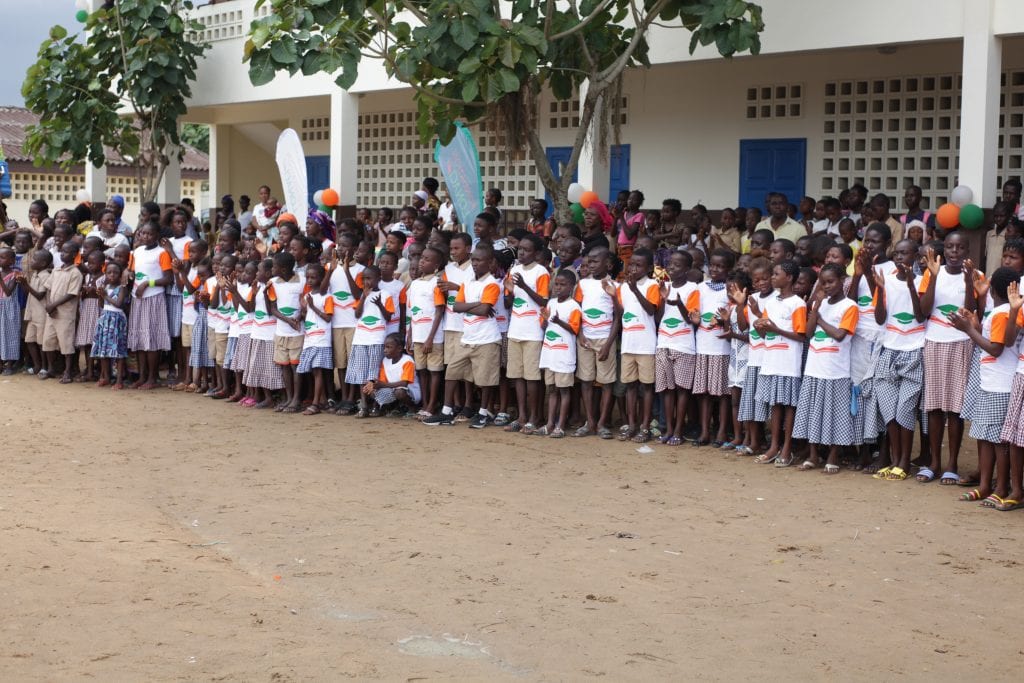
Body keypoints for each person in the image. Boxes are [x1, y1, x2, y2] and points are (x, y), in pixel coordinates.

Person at [950, 267, 1019, 506]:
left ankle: (1000, 487)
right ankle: (985, 485)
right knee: (983, 435)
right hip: (990, 383)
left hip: (1000, 385)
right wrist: (975, 326)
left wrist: (969, 331)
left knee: (998, 441)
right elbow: (992, 342)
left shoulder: (1002, 313)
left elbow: (996, 349)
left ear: (994, 290)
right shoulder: (998, 313)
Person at [918, 231, 975, 484]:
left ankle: (951, 463)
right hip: (934, 342)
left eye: (959, 248)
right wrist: (932, 276)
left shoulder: (975, 276)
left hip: (960, 344)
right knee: (934, 406)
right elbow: (923, 310)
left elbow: (972, 311)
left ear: (967, 251)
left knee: (955, 408)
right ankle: (933, 463)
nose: (954, 252)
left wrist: (970, 281)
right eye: (950, 248)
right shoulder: (932, 274)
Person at [867, 239, 926, 481]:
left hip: (913, 350)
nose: (901, 258)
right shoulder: (886, 280)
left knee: (905, 408)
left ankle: (904, 461)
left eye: (906, 253)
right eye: (898, 254)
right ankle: (894, 459)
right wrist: (878, 289)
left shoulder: (923, 281)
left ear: (915, 256)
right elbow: (880, 319)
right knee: (889, 410)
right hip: (888, 350)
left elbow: (921, 316)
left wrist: (912, 286)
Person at [424, 245, 502, 427]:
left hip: (487, 339)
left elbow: (484, 310)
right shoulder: (468, 283)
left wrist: (473, 305)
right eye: (473, 260)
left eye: (479, 260)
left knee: (485, 379)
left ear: (490, 263)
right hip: (467, 337)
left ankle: (483, 413)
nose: (475, 263)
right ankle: (446, 411)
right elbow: (457, 307)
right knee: (451, 372)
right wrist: (477, 304)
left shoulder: (492, 283)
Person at [792, 264, 859, 473]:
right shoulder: (820, 305)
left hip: (835, 370)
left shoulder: (850, 306)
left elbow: (840, 335)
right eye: (823, 283)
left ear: (842, 281)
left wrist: (820, 319)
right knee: (812, 413)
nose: (827, 286)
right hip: (814, 366)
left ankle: (833, 455)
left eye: (831, 281)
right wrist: (817, 310)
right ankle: (813, 455)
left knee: (835, 414)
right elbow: (809, 333)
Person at [751, 261, 807, 467]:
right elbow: (764, 332)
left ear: (789, 278)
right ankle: (774, 446)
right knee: (775, 405)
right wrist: (759, 326)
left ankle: (786, 448)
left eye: (776, 274)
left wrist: (775, 329)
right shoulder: (772, 302)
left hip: (788, 363)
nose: (773, 277)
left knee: (789, 406)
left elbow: (801, 336)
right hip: (771, 360)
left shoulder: (798, 304)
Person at [504, 234, 549, 433]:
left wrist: (522, 286)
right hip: (516, 329)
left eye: (527, 249)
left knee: (532, 378)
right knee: (517, 376)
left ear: (537, 253)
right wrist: (509, 291)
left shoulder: (541, 272)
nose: (521, 252)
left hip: (533, 332)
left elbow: (543, 301)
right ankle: (521, 416)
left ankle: (534, 416)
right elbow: (508, 303)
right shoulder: (513, 270)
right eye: (520, 248)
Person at [688, 249, 734, 446]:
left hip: (721, 347)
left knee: (722, 394)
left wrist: (724, 322)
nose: (715, 269)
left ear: (728, 269)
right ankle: (705, 432)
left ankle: (722, 431)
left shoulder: (730, 290)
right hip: (703, 345)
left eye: (720, 266)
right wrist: (696, 320)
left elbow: (733, 320)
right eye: (712, 265)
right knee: (703, 392)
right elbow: (694, 313)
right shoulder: (700, 287)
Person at [572, 247, 619, 439]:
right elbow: (577, 311)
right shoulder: (582, 284)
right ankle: (589, 421)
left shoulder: (615, 286)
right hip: (586, 339)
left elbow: (618, 317)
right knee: (586, 380)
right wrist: (580, 334)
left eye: (594, 261)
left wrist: (608, 344)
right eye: (588, 262)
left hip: (604, 338)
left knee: (607, 382)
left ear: (607, 264)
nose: (590, 265)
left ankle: (602, 423)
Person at [654, 250, 699, 446]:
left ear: (687, 269)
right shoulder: (665, 286)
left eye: (677, 265)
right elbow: (658, 318)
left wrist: (678, 301)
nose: (671, 267)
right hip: (664, 342)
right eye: (670, 264)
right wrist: (664, 298)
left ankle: (679, 430)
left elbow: (692, 319)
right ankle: (669, 429)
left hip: (683, 345)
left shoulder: (693, 289)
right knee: (667, 390)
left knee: (682, 390)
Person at [126, 223, 173, 388]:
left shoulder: (162, 253)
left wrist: (147, 283)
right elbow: (131, 271)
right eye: (143, 233)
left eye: (150, 234)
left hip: (153, 298)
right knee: (139, 338)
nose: (145, 237)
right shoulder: (136, 252)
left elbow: (168, 279)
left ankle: (153, 377)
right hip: (137, 298)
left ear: (157, 235)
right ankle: (142, 375)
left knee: (151, 339)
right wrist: (130, 274)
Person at [537, 269, 582, 437]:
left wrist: (558, 321)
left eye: (563, 285)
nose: (558, 287)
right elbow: (544, 325)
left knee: (564, 390)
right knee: (552, 390)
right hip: (550, 354)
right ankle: (550, 423)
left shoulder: (574, 306)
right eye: (556, 284)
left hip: (564, 355)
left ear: (571, 287)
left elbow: (574, 329)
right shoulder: (551, 303)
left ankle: (560, 425)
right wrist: (545, 319)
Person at [324, 234, 366, 414]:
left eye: (345, 246)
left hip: (353, 322)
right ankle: (344, 397)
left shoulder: (361, 270)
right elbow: (322, 290)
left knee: (351, 362)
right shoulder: (330, 267)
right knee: (340, 363)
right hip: (335, 323)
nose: (340, 249)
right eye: (339, 245)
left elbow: (357, 295)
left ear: (355, 249)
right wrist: (330, 271)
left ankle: (352, 397)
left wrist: (347, 269)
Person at [406, 245, 446, 418]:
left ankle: (431, 405)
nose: (422, 261)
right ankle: (424, 403)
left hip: (433, 337)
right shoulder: (414, 284)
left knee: (434, 371)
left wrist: (430, 338)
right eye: (422, 257)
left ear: (437, 265)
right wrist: (409, 335)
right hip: (417, 335)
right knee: (421, 371)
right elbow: (412, 313)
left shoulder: (435, 283)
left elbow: (439, 311)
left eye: (427, 259)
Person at [266, 251, 305, 413]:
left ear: (283, 269)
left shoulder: (302, 280)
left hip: (297, 333)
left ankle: (296, 399)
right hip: (281, 331)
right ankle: (289, 398)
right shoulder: (273, 283)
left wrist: (299, 317)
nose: (272, 269)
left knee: (296, 367)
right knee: (284, 367)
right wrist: (289, 320)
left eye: (274, 266)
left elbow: (305, 303)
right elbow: (272, 309)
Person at [293, 263, 334, 415]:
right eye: (308, 277)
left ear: (322, 279)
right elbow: (307, 315)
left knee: (317, 371)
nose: (309, 280)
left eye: (313, 277)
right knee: (312, 371)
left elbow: (328, 318)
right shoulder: (307, 296)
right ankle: (321, 400)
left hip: (321, 339)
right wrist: (299, 315)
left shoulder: (327, 297)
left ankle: (316, 404)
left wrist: (313, 306)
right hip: (310, 338)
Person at [243, 258, 283, 408]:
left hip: (269, 333)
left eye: (259, 271)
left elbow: (270, 311)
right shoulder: (257, 286)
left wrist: (265, 293)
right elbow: (251, 308)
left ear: (267, 273)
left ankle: (278, 396)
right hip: (257, 331)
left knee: (272, 368)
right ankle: (266, 397)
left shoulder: (272, 286)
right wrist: (254, 293)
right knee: (258, 365)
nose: (257, 273)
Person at [42, 242, 83, 384]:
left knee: (66, 343)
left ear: (74, 255)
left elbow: (71, 294)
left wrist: (53, 305)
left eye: (66, 252)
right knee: (48, 341)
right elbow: (48, 288)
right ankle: (51, 369)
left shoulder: (75, 273)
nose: (63, 254)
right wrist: (49, 305)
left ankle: (67, 371)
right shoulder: (56, 270)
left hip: (65, 313)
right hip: (52, 312)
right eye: (62, 251)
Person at [90, 261, 129, 389]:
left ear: (120, 274)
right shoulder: (105, 287)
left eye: (115, 272)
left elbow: (119, 304)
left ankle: (118, 380)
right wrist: (101, 296)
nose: (112, 275)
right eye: (109, 272)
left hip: (117, 320)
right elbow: (101, 305)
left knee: (118, 350)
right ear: (105, 274)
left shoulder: (122, 288)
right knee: (103, 350)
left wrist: (105, 296)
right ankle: (106, 377)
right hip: (105, 319)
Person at [365, 332, 421, 415]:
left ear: (399, 348)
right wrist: (373, 383)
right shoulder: (385, 361)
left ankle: (412, 408)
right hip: (392, 389)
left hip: (409, 392)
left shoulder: (407, 361)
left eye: (388, 347)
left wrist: (382, 385)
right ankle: (385, 407)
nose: (385, 350)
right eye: (385, 347)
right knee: (372, 390)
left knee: (399, 392)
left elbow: (404, 383)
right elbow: (383, 380)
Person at [73, 250, 105, 382]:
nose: (90, 266)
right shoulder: (86, 277)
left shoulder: (104, 278)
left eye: (93, 263)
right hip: (86, 310)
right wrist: (84, 291)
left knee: (96, 341)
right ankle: (89, 371)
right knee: (86, 342)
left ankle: (102, 373)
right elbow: (83, 296)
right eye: (89, 263)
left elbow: (105, 296)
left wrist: (95, 292)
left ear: (102, 264)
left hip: (97, 310)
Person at [19, 250, 52, 376]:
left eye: (34, 260)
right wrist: (23, 284)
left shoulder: (45, 276)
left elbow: (40, 295)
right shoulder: (34, 274)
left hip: (41, 314)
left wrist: (25, 284)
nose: (31, 261)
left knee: (41, 342)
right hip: (32, 313)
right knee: (30, 340)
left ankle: (44, 366)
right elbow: (30, 292)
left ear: (43, 263)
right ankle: (37, 365)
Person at [185, 257, 215, 393]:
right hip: (200, 321)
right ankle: (203, 382)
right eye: (199, 275)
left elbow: (212, 306)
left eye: (204, 275)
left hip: (210, 321)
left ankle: (212, 382)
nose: (201, 278)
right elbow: (196, 307)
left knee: (210, 354)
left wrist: (204, 301)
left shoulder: (212, 286)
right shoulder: (199, 287)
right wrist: (197, 300)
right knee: (201, 352)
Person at [0, 247, 21, 373]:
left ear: (12, 260)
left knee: (10, 335)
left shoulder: (15, 274)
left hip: (9, 309)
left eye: (2, 257)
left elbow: (8, 292)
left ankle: (9, 365)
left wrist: (1, 280)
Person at [614, 191, 645, 265]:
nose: (630, 201)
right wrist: (616, 217)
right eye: (629, 199)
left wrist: (621, 217)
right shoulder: (624, 213)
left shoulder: (639, 215)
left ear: (640, 203)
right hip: (619, 247)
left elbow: (629, 235)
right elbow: (614, 233)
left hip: (629, 249)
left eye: (634, 199)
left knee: (625, 270)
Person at [985, 201, 1015, 275]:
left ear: (1009, 216)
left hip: (1002, 278)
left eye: (1002, 216)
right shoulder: (989, 234)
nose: (998, 219)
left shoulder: (1010, 235)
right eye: (996, 216)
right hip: (988, 278)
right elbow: (986, 257)